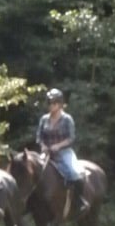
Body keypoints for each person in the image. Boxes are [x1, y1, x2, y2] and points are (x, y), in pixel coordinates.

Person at [36, 88, 90, 216]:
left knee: (74, 173)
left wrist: (58, 146)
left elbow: (71, 138)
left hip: (63, 152)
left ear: (60, 104)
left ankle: (80, 201)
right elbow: (39, 136)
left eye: (54, 103)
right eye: (49, 103)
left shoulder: (67, 119)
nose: (51, 106)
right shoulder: (44, 119)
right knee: (34, 171)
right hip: (47, 152)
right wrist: (43, 145)